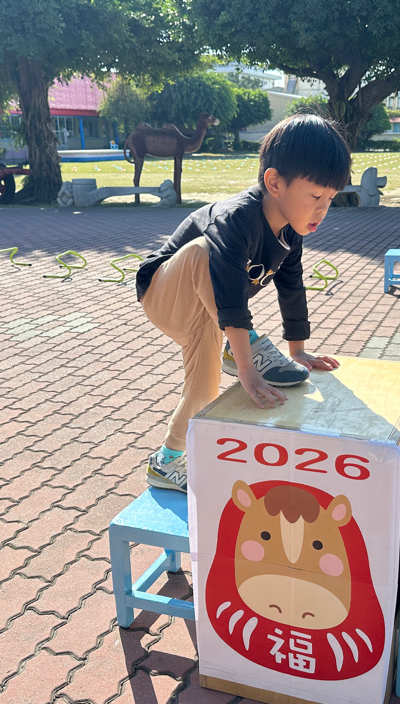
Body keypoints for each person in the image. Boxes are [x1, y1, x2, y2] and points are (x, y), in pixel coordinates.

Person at [134, 114, 348, 492]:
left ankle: (165, 461)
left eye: (330, 199)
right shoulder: (236, 218)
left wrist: (297, 350)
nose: (322, 210)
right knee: (203, 252)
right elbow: (228, 290)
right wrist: (248, 367)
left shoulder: (290, 234)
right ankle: (242, 347)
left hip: (208, 312)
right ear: (275, 182)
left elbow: (291, 287)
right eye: (316, 196)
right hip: (164, 293)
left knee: (204, 390)